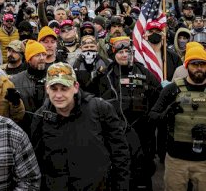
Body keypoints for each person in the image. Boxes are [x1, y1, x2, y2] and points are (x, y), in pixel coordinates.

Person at [31, 62, 131, 190]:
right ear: (46, 89)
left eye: (64, 88)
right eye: (54, 88)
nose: (59, 95)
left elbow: (120, 155)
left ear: (76, 87)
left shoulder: (99, 109)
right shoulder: (40, 117)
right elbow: (37, 161)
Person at [150, 43, 206, 191]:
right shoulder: (171, 90)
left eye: (202, 64)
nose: (199, 68)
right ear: (186, 65)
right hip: (176, 160)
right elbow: (152, 117)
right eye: (194, 64)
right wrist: (167, 114)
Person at [97, 35, 161, 190]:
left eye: (128, 51)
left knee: (143, 174)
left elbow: (158, 94)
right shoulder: (105, 75)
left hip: (142, 131)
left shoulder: (143, 71)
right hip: (116, 132)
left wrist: (151, 116)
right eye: (120, 52)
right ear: (113, 54)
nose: (125, 55)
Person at [10, 40, 48, 131]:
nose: (42, 58)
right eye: (37, 55)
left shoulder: (54, 77)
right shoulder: (15, 81)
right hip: (24, 129)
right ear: (29, 59)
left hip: (49, 129)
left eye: (44, 54)